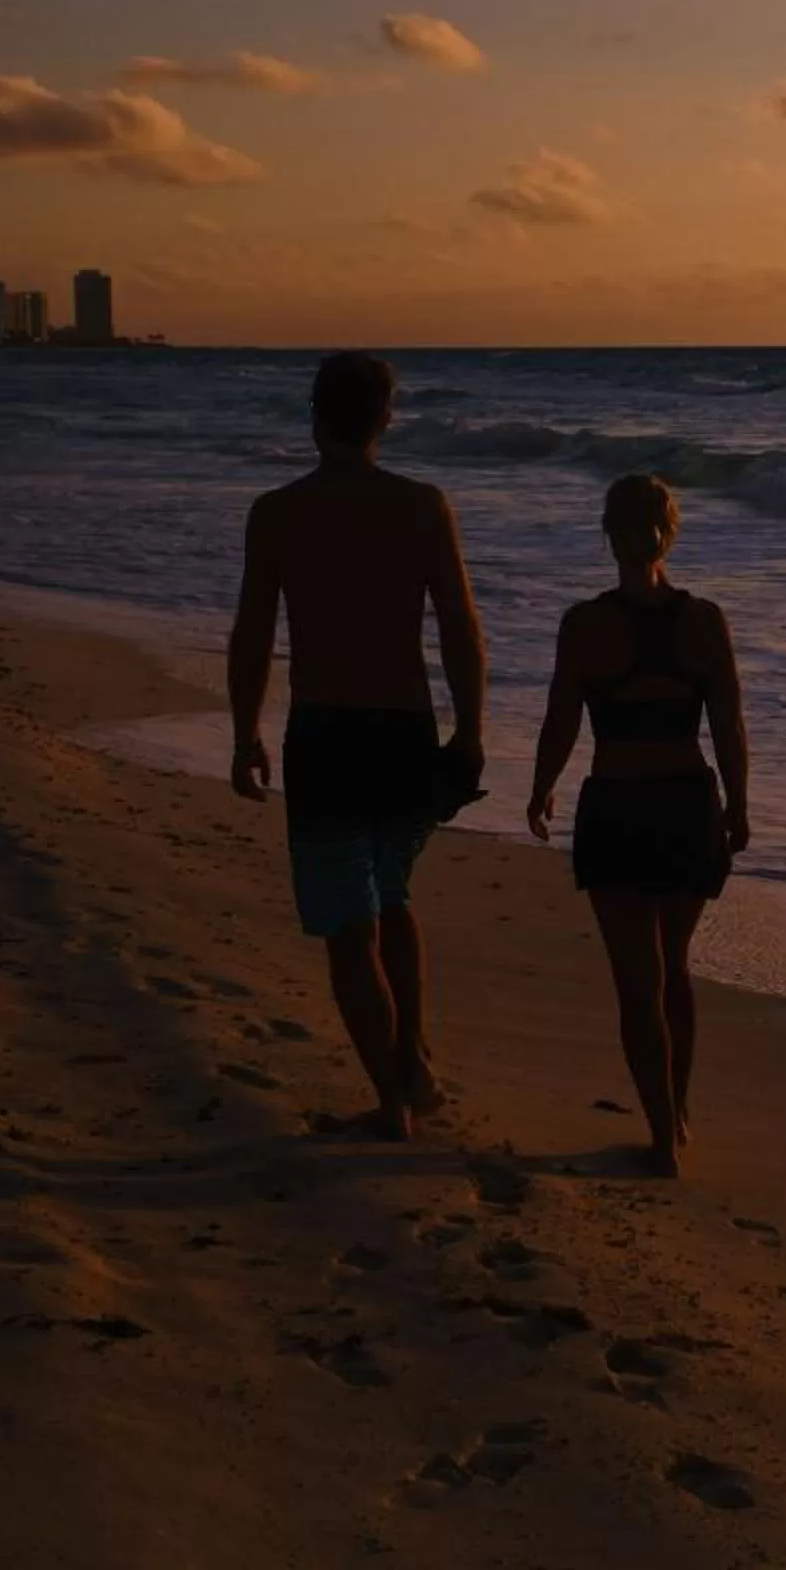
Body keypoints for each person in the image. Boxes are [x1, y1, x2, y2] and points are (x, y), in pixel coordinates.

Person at [228, 352, 485, 1142]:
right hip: (404, 730)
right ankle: (413, 1060)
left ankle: (393, 1102)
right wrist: (471, 729)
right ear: (384, 420)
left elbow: (253, 634)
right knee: (392, 898)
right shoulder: (422, 506)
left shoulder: (278, 513)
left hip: (326, 733)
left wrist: (245, 732)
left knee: (349, 927)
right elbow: (459, 626)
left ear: (315, 417)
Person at [527, 474, 749, 1177]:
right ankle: (677, 1115)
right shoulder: (704, 621)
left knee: (636, 983)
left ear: (606, 534)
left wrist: (541, 788)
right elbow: (729, 725)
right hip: (687, 805)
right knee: (673, 970)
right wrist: (739, 804)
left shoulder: (584, 625)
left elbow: (562, 719)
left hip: (619, 807)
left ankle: (661, 1138)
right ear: (670, 532)